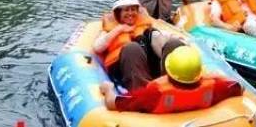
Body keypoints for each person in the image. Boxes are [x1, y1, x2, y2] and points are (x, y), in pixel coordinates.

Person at [99, 45, 242, 113]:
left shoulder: (153, 94)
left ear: (168, 71)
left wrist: (108, 89)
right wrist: (216, 76)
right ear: (199, 73)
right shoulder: (214, 88)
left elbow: (112, 103)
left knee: (132, 49)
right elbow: (239, 87)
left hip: (151, 114)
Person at [93, 0, 185, 91]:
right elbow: (97, 47)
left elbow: (162, 36)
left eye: (133, 9)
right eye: (126, 10)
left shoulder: (145, 28)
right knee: (132, 48)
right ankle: (141, 92)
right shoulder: (110, 31)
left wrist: (180, 40)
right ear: (118, 13)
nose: (130, 13)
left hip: (151, 71)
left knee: (174, 44)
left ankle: (172, 85)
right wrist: (119, 29)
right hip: (125, 73)